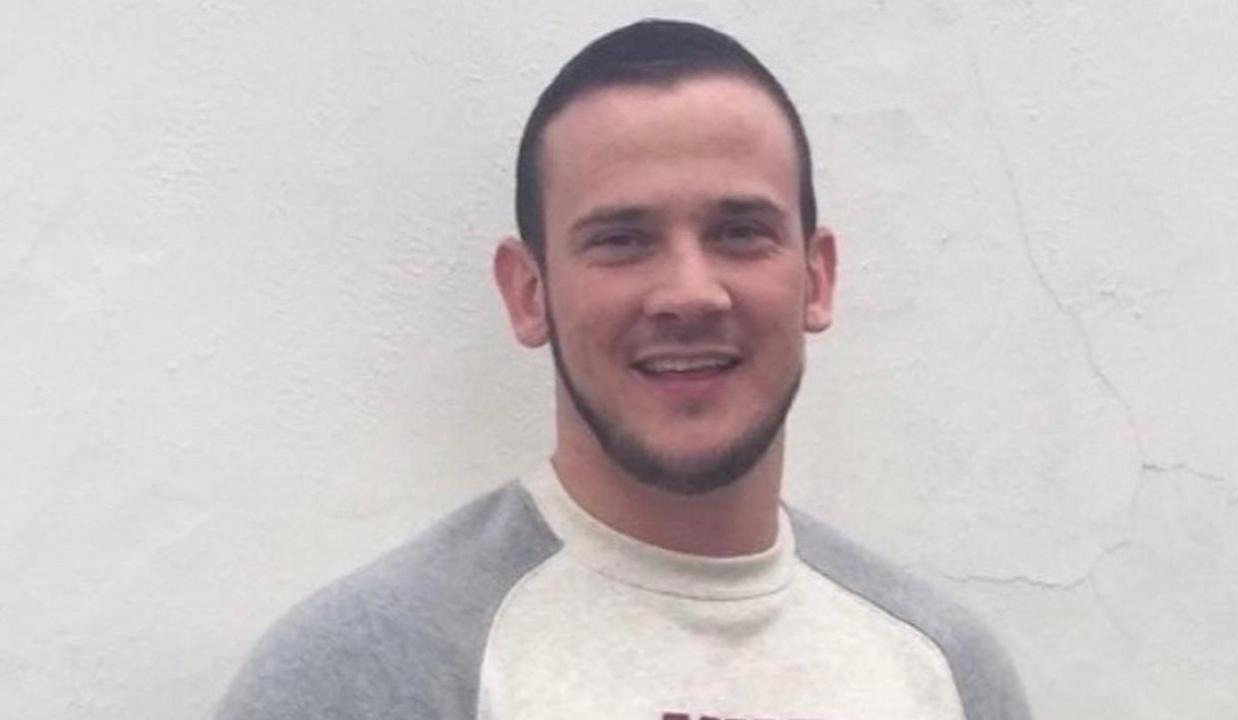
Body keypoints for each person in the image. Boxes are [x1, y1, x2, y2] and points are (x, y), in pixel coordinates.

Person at [215, 19, 1031, 720]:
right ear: (528, 294)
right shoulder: (371, 672)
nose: (689, 292)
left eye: (741, 231)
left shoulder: (944, 671)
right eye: (621, 240)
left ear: (817, 278)